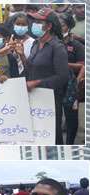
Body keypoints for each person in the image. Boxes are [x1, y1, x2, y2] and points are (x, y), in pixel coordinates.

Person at [24, 8, 69, 145]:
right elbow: (31, 69)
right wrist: (21, 55)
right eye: (34, 21)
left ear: (49, 26)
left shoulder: (57, 47)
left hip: (50, 101)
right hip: (34, 99)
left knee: (52, 137)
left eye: (39, 21)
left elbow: (62, 77)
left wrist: (36, 83)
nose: (34, 24)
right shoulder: (36, 43)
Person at [58, 13, 85, 145]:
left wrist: (66, 65)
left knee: (71, 119)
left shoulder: (77, 45)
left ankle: (69, 143)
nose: (59, 27)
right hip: (55, 85)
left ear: (68, 27)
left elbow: (82, 66)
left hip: (71, 88)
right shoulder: (52, 42)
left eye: (62, 25)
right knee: (55, 117)